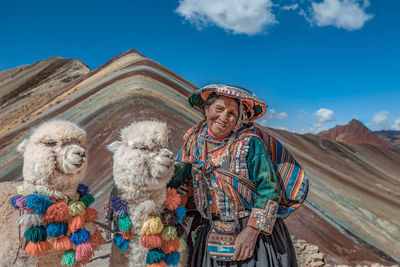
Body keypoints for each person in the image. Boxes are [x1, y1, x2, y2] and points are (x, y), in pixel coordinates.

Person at [168, 84, 298, 266]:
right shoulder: (193, 143)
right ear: (206, 109)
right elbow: (174, 181)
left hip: (251, 231)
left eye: (232, 114)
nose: (224, 118)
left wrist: (252, 232)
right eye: (219, 109)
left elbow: (269, 190)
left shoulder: (250, 143)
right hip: (208, 230)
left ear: (238, 119)